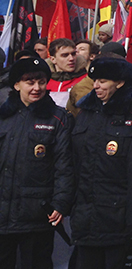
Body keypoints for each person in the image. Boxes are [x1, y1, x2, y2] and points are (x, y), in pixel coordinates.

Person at [71, 56, 132, 269]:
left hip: (118, 218)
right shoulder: (85, 112)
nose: (96, 86)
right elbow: (75, 163)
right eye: (95, 80)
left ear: (120, 83)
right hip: (85, 218)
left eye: (103, 81)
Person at [0, 57, 74, 269]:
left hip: (37, 215)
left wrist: (60, 202)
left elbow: (64, 166)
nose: (36, 88)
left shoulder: (58, 118)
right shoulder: (3, 116)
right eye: (29, 82)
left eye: (41, 82)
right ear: (16, 85)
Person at [46, 39, 88, 104]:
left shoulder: (86, 80)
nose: (71, 58)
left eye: (73, 54)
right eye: (65, 55)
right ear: (53, 59)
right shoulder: (43, 80)